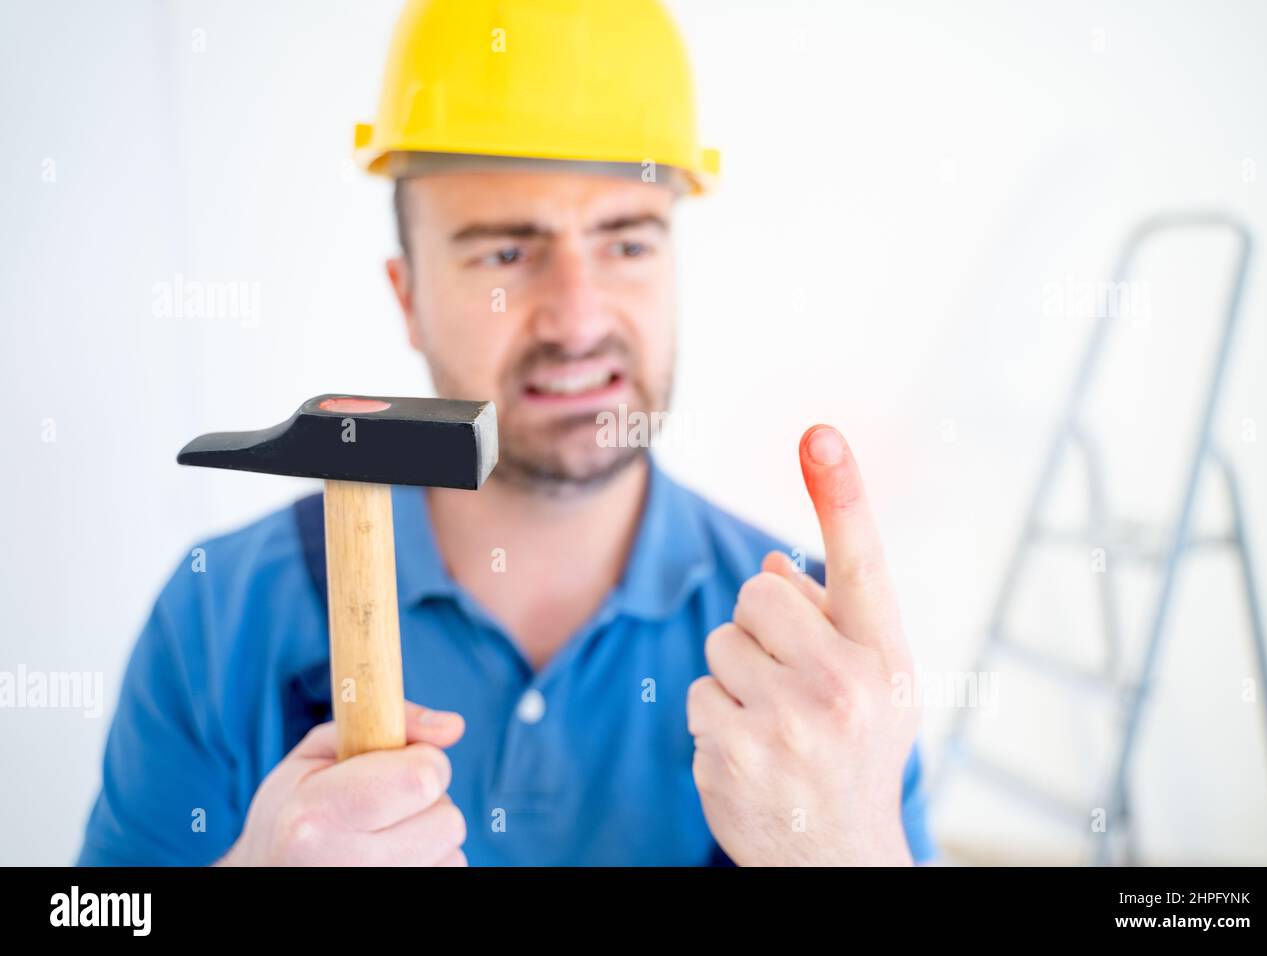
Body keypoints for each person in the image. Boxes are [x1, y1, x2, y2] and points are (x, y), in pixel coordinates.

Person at [78, 0, 935, 866]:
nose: (575, 318)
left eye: (626, 244)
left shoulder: (814, 661)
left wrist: (850, 848)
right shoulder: (216, 617)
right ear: (407, 297)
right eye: (505, 254)